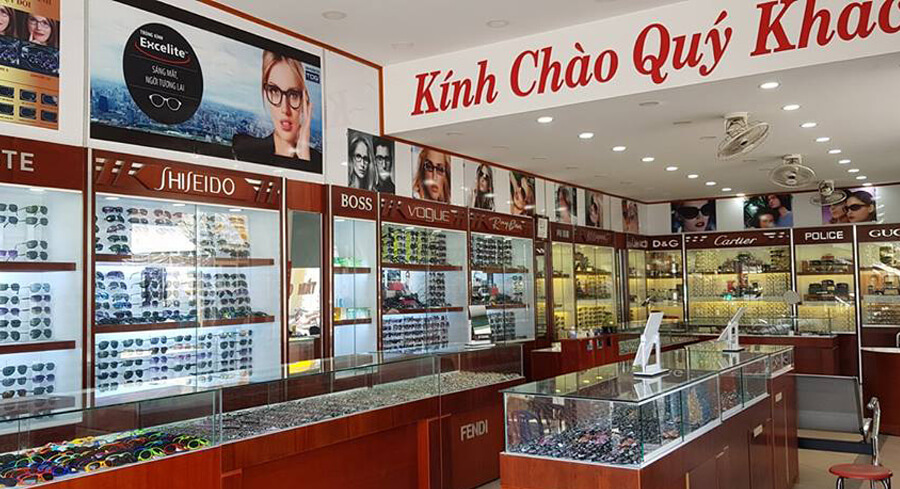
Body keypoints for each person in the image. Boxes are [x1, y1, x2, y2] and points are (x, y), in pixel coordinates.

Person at [233, 51, 321, 169]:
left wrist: (304, 156)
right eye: (274, 91)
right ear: (266, 93)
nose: (285, 109)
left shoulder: (318, 161)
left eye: (293, 95)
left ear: (304, 101)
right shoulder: (245, 149)